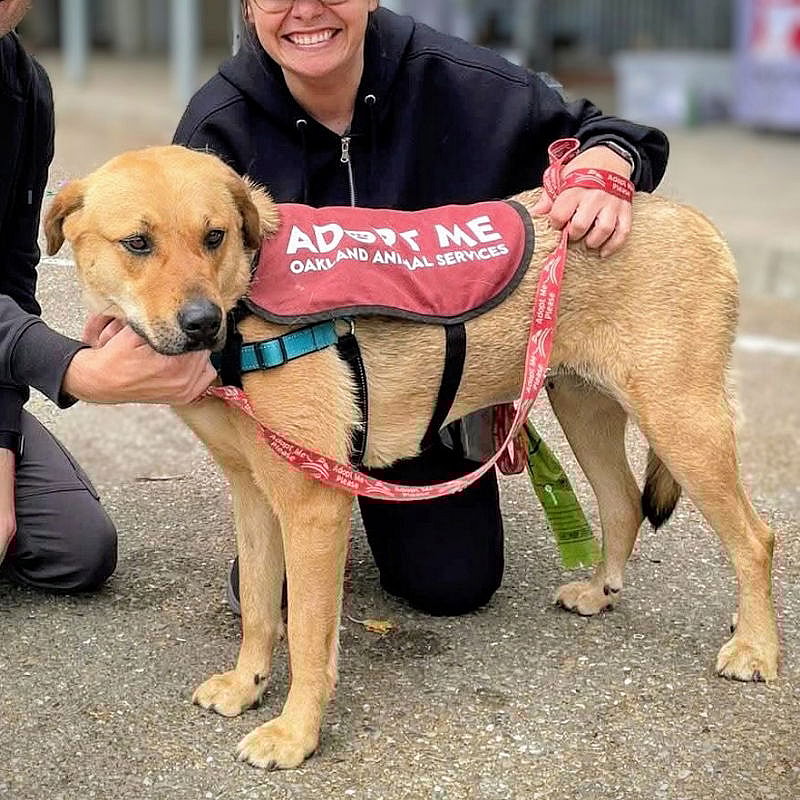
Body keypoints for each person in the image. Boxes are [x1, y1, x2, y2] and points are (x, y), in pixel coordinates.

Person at [174, 0, 669, 616]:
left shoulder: (459, 80)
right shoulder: (218, 126)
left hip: (423, 397)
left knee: (452, 583)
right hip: (291, 403)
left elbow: (607, 131)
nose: (305, 11)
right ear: (249, 6)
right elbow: (176, 275)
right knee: (272, 588)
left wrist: (607, 164)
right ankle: (302, 512)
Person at [0, 0, 216, 593]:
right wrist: (74, 369)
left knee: (73, 549)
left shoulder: (22, 86)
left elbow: (13, 275)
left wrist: (0, 446)